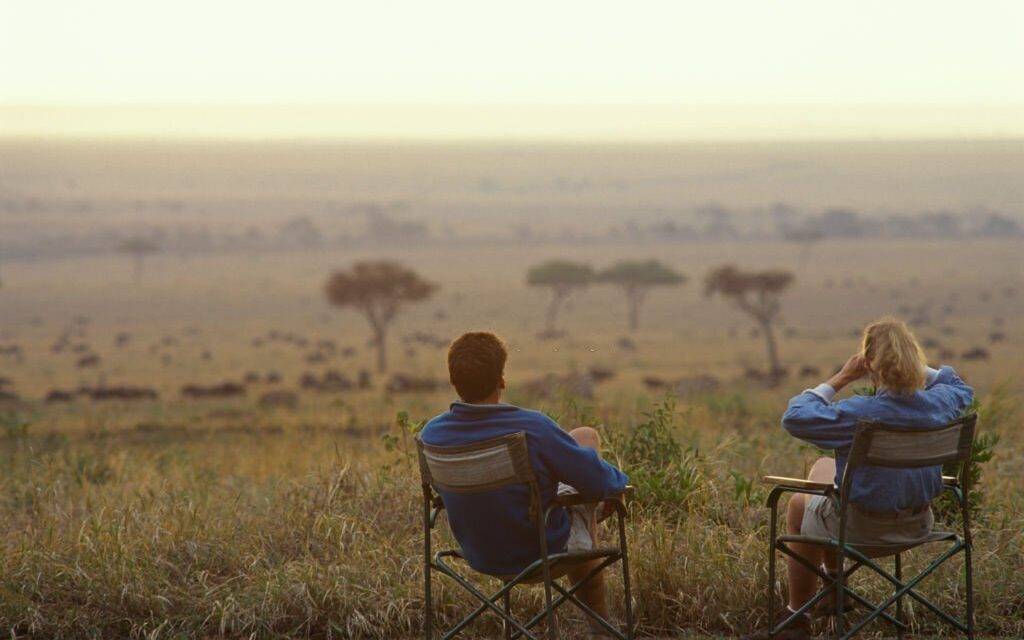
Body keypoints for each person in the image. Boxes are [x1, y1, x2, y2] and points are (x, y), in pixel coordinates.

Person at [744, 316, 974, 640]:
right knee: (825, 466)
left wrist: (842, 377)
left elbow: (794, 417)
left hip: (857, 530)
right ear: (913, 359)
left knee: (798, 505)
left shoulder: (859, 413)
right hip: (918, 526)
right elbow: (962, 387)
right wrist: (913, 367)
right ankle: (835, 587)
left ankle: (798, 618)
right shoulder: (939, 403)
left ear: (869, 364)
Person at [420, 331, 627, 637]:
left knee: (577, 442)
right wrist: (618, 486)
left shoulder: (432, 435)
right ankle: (602, 628)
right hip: (541, 553)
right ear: (501, 380)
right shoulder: (533, 428)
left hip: (479, 553)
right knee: (588, 440)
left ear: (454, 381)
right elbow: (602, 482)